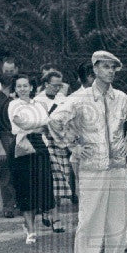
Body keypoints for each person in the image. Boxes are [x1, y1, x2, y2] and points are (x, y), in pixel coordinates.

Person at [49, 51, 127, 253]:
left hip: (117, 168)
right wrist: (73, 144)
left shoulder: (121, 98)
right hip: (92, 168)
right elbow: (55, 120)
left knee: (117, 220)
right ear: (95, 69)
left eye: (113, 67)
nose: (110, 71)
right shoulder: (79, 99)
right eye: (106, 67)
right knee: (89, 219)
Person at [9, 74, 59, 244]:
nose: (22, 89)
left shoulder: (40, 104)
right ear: (15, 89)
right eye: (19, 86)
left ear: (31, 87)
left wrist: (39, 126)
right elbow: (20, 123)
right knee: (25, 189)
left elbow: (48, 125)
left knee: (43, 185)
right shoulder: (13, 104)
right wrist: (38, 125)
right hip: (22, 147)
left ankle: (45, 217)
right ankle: (30, 230)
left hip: (40, 146)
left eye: (25, 86)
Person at [34, 69, 74, 215]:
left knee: (63, 172)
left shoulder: (63, 98)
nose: (57, 88)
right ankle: (49, 207)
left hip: (62, 139)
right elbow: (40, 122)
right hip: (46, 139)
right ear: (46, 84)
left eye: (59, 85)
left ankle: (54, 204)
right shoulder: (38, 100)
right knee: (52, 172)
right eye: (54, 85)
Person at [0, 80, 19, 219]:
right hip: (5, 136)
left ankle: (22, 203)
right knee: (6, 172)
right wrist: (0, 147)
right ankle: (8, 206)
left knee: (21, 172)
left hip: (20, 135)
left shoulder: (20, 100)